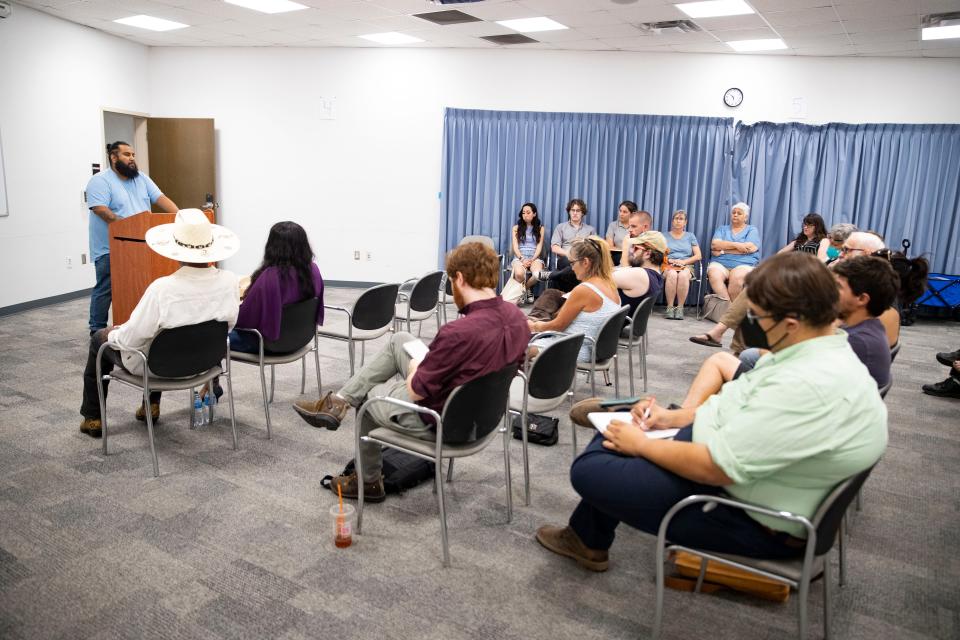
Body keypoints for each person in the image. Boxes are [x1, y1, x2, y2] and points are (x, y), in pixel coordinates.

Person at [540, 252, 887, 571]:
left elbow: (717, 467)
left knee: (592, 466)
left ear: (791, 322)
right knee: (620, 438)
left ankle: (589, 531)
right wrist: (671, 419)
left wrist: (642, 446)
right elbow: (738, 401)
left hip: (748, 517)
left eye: (760, 316)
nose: (753, 325)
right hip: (742, 470)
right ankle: (587, 536)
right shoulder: (814, 352)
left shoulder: (805, 384)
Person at [292, 242, 529, 502]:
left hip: (445, 421)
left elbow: (416, 391)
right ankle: (338, 402)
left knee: (371, 398)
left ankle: (368, 482)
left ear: (459, 278)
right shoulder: (517, 318)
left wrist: (418, 368)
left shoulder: (458, 333)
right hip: (486, 415)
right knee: (400, 340)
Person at [78, 209, 240, 437]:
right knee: (162, 337)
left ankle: (93, 418)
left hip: (159, 367)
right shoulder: (230, 281)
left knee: (100, 340)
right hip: (204, 363)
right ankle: (150, 406)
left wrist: (114, 333)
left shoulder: (162, 290)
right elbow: (229, 325)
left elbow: (131, 338)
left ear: (176, 250)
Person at [86, 141, 180, 335]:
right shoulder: (100, 181)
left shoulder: (141, 179)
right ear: (113, 157)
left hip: (142, 245)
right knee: (106, 288)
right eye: (127, 155)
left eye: (133, 155)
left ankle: (137, 326)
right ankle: (96, 329)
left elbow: (161, 198)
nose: (132, 159)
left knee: (139, 284)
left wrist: (182, 216)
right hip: (111, 248)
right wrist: (129, 227)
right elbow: (101, 210)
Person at [230, 221, 325, 354]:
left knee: (214, 339)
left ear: (272, 246)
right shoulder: (313, 270)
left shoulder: (271, 277)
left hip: (269, 343)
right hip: (300, 338)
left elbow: (245, 320)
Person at [528, 237, 621, 363]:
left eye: (572, 263)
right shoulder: (611, 286)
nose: (571, 268)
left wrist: (534, 326)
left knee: (514, 348)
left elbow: (557, 326)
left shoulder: (585, 290)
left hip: (572, 348)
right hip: (591, 347)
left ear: (585, 262)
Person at [706, 202, 760, 301]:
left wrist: (722, 251)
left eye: (739, 213)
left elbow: (749, 248)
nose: (735, 214)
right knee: (714, 275)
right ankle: (729, 308)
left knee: (736, 278)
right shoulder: (722, 229)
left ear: (745, 218)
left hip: (743, 264)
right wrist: (737, 245)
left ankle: (731, 312)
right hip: (720, 263)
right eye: (733, 212)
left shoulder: (751, 229)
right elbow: (714, 245)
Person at [613, 232, 666, 330]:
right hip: (612, 327)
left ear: (647, 253)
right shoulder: (656, 275)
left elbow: (598, 280)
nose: (631, 251)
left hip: (604, 329)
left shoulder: (640, 274)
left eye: (636, 248)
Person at [542, 199, 597, 292]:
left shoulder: (590, 229)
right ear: (569, 212)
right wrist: (569, 254)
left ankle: (553, 276)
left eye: (578, 210)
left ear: (582, 213)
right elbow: (554, 247)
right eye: (572, 210)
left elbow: (594, 248)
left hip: (583, 259)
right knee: (570, 264)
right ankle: (575, 295)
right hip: (565, 258)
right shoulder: (561, 227)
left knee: (578, 266)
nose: (575, 213)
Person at [663, 210, 701, 320]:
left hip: (686, 265)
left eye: (681, 219)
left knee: (683, 275)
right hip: (668, 265)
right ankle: (670, 307)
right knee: (673, 274)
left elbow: (698, 256)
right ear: (672, 221)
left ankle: (680, 307)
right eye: (676, 218)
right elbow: (659, 254)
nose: (678, 221)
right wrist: (669, 260)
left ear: (685, 222)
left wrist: (684, 262)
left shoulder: (690, 236)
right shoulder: (664, 236)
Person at [507, 202, 546, 298]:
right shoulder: (516, 228)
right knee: (519, 274)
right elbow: (515, 246)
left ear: (534, 214)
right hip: (520, 256)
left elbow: (539, 247)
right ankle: (525, 292)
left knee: (538, 275)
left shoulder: (541, 228)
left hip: (534, 257)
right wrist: (522, 259)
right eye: (523, 213)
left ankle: (524, 290)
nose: (525, 215)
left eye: (528, 212)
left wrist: (532, 260)